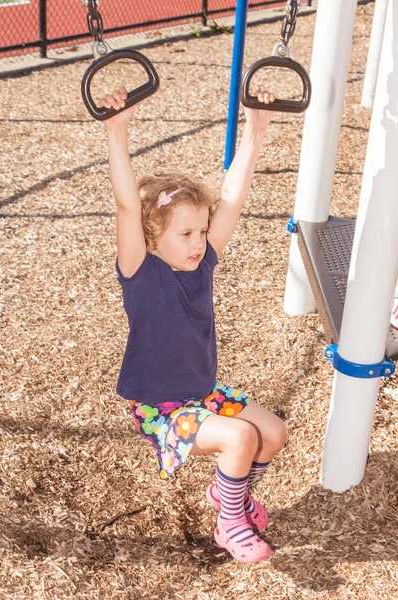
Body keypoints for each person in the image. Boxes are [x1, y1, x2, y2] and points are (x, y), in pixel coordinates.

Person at [99, 85, 286, 564]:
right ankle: (230, 524)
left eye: (201, 230)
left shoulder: (201, 264)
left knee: (273, 432)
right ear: (151, 238)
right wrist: (117, 133)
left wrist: (255, 130)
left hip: (203, 394)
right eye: (185, 233)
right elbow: (126, 205)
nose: (199, 241)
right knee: (242, 437)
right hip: (161, 407)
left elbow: (231, 200)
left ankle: (231, 496)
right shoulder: (141, 273)